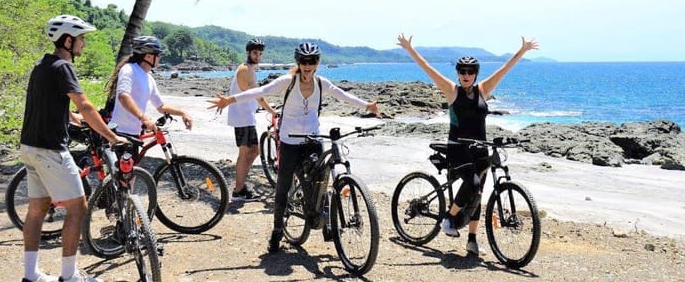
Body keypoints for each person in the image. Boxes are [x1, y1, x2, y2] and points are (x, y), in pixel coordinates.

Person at [207, 42, 380, 253]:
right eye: (304, 62)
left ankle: (322, 219)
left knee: (319, 182)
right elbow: (260, 91)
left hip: (313, 139)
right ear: (298, 63)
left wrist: (367, 106)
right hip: (289, 141)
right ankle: (277, 230)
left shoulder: (321, 82)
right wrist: (229, 100)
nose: (307, 66)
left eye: (312, 62)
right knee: (283, 186)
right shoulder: (288, 81)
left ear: (317, 63)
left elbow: (342, 95)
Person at [396, 33, 539, 255]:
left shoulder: (483, 90)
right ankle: (450, 218)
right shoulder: (452, 91)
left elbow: (504, 70)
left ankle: (471, 240)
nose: (466, 75)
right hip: (458, 147)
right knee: (472, 185)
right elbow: (427, 68)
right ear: (458, 73)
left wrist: (522, 51)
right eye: (462, 71)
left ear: (475, 74)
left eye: (470, 72)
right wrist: (409, 49)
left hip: (479, 148)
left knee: (478, 194)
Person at [20, 14, 128, 282]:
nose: (84, 44)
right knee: (78, 208)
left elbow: (47, 100)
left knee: (36, 210)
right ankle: (69, 277)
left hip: (30, 147)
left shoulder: (42, 64)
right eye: (81, 39)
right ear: (67, 40)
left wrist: (71, 117)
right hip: (50, 150)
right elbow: (86, 105)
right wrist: (112, 137)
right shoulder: (63, 67)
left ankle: (30, 275)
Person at [104, 36, 193, 143]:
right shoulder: (129, 69)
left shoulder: (148, 77)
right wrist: (144, 118)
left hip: (136, 133)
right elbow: (123, 96)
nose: (160, 58)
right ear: (149, 56)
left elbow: (161, 106)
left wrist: (183, 112)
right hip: (120, 132)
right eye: (158, 55)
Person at [223, 38, 278, 202]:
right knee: (247, 152)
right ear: (248, 52)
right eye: (255, 53)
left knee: (253, 151)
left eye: (260, 53)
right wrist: (272, 111)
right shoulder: (246, 69)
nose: (258, 56)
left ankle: (240, 186)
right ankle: (239, 190)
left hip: (245, 117)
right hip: (243, 118)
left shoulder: (247, 69)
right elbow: (257, 95)